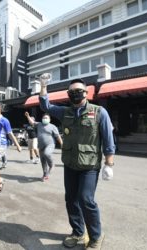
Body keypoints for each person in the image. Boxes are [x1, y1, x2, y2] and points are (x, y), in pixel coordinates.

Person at [39, 76, 115, 249]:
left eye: (79, 91)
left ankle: (95, 236)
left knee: (86, 199)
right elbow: (45, 106)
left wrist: (109, 164)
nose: (75, 94)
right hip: (70, 164)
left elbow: (108, 139)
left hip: (89, 166)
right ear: (68, 94)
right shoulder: (65, 112)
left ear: (86, 93)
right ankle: (78, 232)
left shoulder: (99, 112)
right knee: (71, 199)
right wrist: (44, 86)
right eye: (72, 92)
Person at [25, 112, 62, 181]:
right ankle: (45, 174)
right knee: (43, 161)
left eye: (46, 118)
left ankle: (51, 165)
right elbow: (32, 122)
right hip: (41, 146)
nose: (45, 119)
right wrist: (28, 116)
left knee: (47, 153)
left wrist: (62, 144)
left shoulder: (53, 126)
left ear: (49, 119)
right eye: (44, 118)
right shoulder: (39, 124)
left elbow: (57, 136)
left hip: (50, 144)